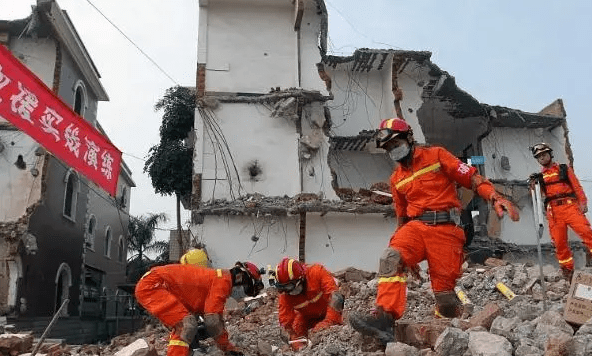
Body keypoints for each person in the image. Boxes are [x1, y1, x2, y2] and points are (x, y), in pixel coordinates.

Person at [349, 117, 520, 344]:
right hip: (415, 228)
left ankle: (450, 328)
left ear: (409, 138)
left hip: (446, 231)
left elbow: (471, 178)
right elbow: (402, 215)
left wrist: (495, 196)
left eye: (395, 143)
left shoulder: (437, 155)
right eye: (388, 148)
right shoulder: (396, 178)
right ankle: (384, 319)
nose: (393, 150)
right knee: (390, 258)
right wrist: (401, 249)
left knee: (446, 301)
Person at [135, 251, 264, 356]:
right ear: (242, 279)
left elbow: (212, 317)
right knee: (186, 326)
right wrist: (227, 347)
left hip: (153, 283)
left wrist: (225, 346)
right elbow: (212, 320)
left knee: (186, 323)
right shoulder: (223, 283)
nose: (243, 295)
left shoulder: (219, 278)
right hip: (153, 286)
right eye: (247, 291)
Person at [529, 142, 592, 281]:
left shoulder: (563, 169)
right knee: (559, 243)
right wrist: (533, 185)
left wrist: (583, 202)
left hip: (570, 207)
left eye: (544, 155)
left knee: (587, 233)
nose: (542, 158)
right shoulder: (540, 177)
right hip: (554, 212)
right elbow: (536, 194)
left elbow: (576, 186)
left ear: (550, 154)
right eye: (539, 157)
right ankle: (568, 272)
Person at [273, 257, 344, 351]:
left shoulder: (316, 272)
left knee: (326, 326)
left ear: (300, 279)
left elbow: (336, 297)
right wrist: (294, 339)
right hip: (307, 316)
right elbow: (286, 322)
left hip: (329, 309)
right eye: (283, 288)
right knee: (297, 334)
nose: (288, 292)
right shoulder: (285, 295)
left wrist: (329, 321)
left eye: (289, 286)